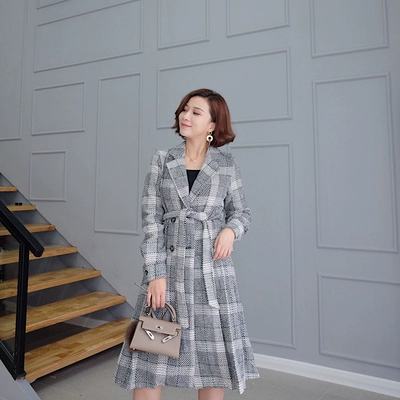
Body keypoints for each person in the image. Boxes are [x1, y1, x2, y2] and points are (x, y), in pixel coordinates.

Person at [114, 88, 259, 400]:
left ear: (212, 124)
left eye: (195, 112)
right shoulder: (162, 160)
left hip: (211, 274)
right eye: (184, 109)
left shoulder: (226, 165)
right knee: (150, 358)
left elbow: (242, 213)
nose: (185, 116)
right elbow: (151, 219)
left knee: (213, 362)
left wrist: (230, 231)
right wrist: (156, 274)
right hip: (167, 270)